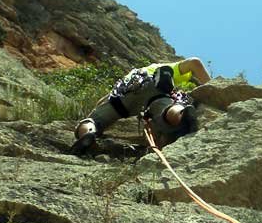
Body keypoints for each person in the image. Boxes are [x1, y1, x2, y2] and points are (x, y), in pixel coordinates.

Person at [70, 57, 211, 157]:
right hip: (154, 90)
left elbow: (101, 102)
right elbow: (194, 62)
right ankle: (182, 115)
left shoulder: (128, 77)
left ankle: (88, 133)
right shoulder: (159, 69)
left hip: (121, 97)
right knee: (166, 110)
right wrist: (215, 87)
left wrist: (93, 118)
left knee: (94, 120)